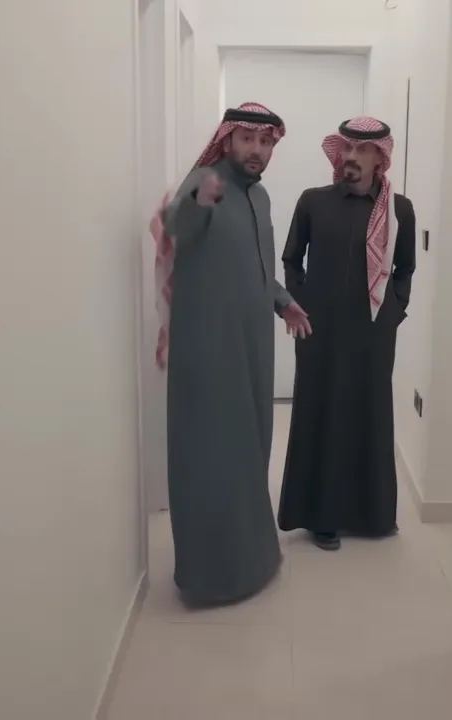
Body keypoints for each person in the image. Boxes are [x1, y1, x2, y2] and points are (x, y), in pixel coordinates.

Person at [150, 102, 312, 604]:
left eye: (265, 142)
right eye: (247, 140)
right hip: (208, 351)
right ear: (229, 140)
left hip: (252, 347)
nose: (256, 150)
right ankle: (209, 578)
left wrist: (283, 302)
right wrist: (199, 201)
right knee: (211, 458)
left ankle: (253, 562)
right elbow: (174, 225)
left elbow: (260, 266)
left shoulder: (259, 196)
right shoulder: (205, 178)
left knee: (250, 451)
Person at [276, 116, 416, 550]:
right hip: (320, 331)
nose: (352, 157)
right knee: (323, 415)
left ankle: (371, 514)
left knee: (367, 414)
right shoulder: (313, 202)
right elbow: (291, 259)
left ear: (380, 158)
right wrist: (301, 303)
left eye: (363, 150)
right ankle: (322, 517)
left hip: (373, 334)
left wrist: (393, 312)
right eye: (348, 148)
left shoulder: (399, 210)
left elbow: (405, 268)